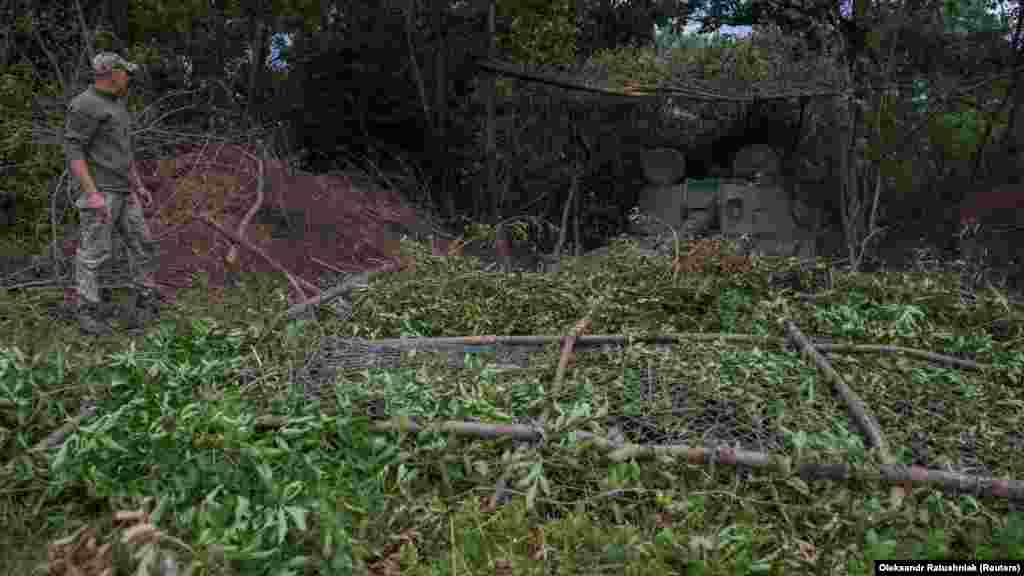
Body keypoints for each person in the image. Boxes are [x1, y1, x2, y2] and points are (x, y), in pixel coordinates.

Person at [63, 52, 161, 335]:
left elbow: (124, 151)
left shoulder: (117, 104)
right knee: (94, 253)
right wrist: (92, 194)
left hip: (124, 190)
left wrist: (138, 184)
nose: (129, 78)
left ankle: (145, 301)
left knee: (142, 244)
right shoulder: (84, 106)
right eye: (126, 73)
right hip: (101, 192)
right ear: (111, 73)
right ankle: (88, 311)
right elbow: (74, 151)